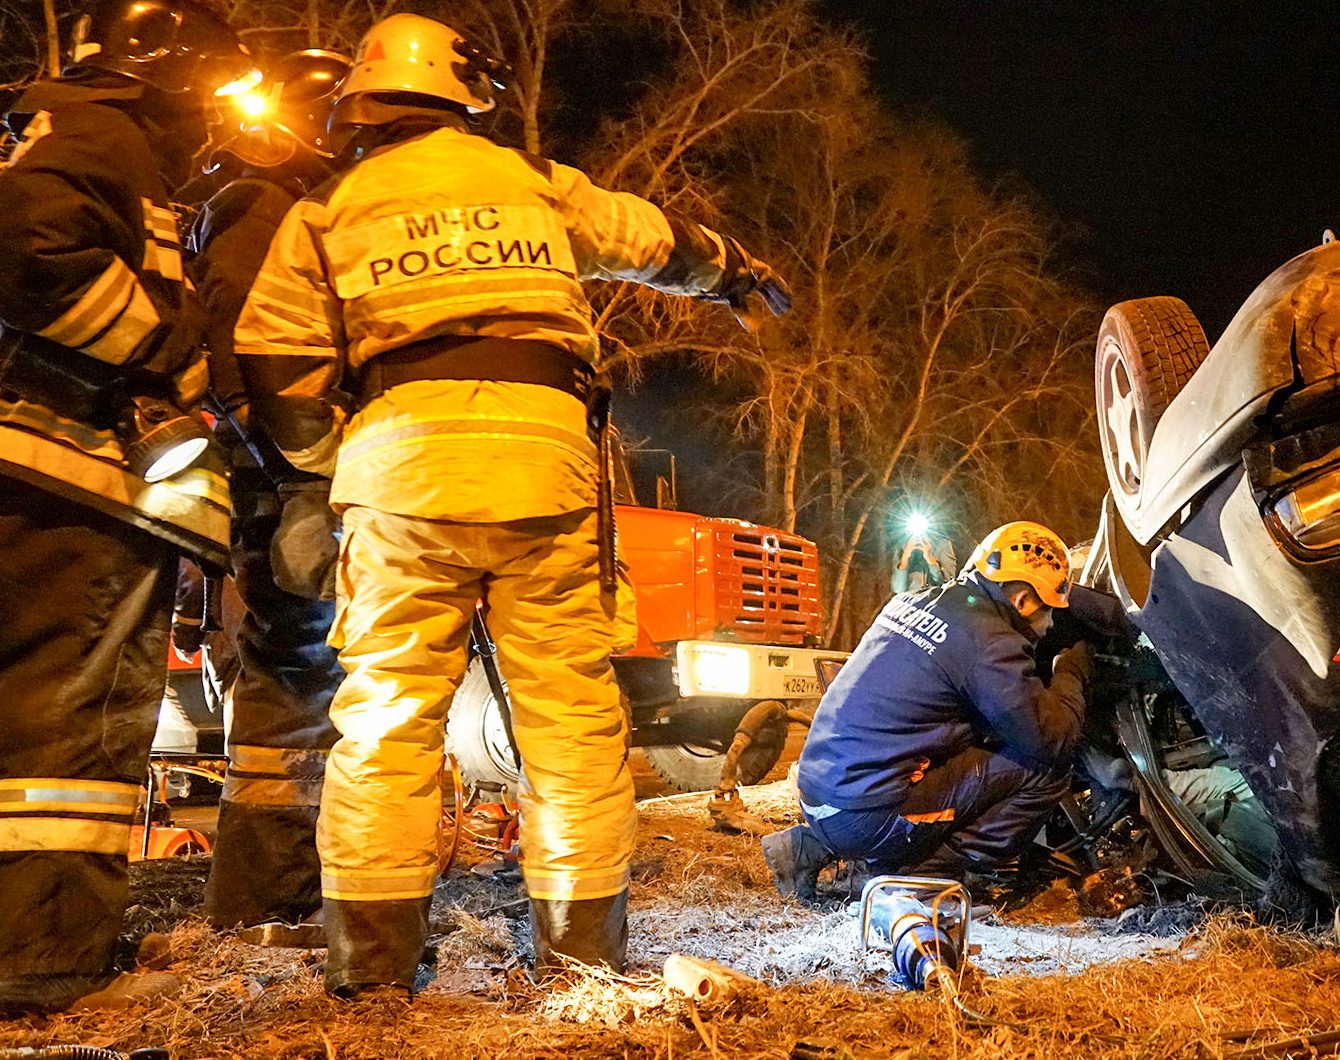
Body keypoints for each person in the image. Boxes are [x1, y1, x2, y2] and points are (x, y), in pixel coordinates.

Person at [232, 13, 790, 998]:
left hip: (398, 468)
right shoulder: (530, 185)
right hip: (543, 463)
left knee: (387, 723)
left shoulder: (326, 210)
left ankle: (370, 970)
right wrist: (734, 268)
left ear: (364, 103)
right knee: (570, 724)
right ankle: (580, 957)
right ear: (462, 93)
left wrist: (335, 463)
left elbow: (275, 364)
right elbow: (650, 238)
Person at [0, 0, 254, 1015]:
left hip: (42, 473)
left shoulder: (58, 127)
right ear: (167, 65)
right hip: (74, 481)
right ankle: (46, 965)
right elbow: (28, 247)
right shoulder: (103, 134)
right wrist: (164, 351)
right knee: (72, 740)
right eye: (212, 86)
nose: (217, 114)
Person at [189, 49, 354, 936]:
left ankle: (283, 889)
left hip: (287, 475)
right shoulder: (264, 206)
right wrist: (301, 481)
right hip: (288, 481)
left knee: (305, 681)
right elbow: (248, 360)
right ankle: (271, 897)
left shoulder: (254, 202)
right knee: (296, 675)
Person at [766, 521, 1095, 903]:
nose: (1051, 623)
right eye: (1050, 611)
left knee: (972, 749)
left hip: (821, 792)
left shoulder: (917, 599)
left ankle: (810, 846)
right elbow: (1051, 737)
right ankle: (927, 876)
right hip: (861, 812)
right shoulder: (990, 640)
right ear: (1022, 600)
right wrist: (1071, 670)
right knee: (1045, 769)